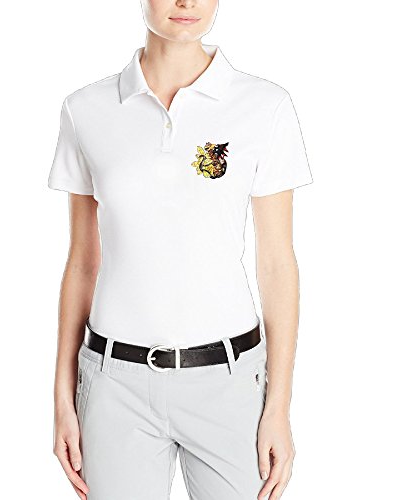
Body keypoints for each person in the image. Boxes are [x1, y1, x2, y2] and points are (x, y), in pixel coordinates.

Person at [49, 1, 313, 499]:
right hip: (115, 387)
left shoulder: (264, 106)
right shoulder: (86, 110)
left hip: (229, 385)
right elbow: (82, 261)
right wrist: (63, 395)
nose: (187, 2)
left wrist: (278, 407)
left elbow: (277, 264)